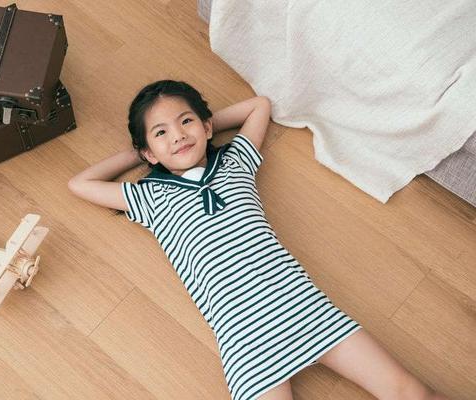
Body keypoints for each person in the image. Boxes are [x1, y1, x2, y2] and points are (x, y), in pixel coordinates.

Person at [68, 80, 449, 400]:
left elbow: (258, 106)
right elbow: (80, 184)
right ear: (148, 150)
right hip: (244, 339)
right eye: (161, 132)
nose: (178, 135)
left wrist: (201, 126)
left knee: (407, 390)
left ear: (205, 126)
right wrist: (140, 156)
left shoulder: (235, 163)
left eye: (186, 122)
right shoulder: (149, 197)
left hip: (302, 305)